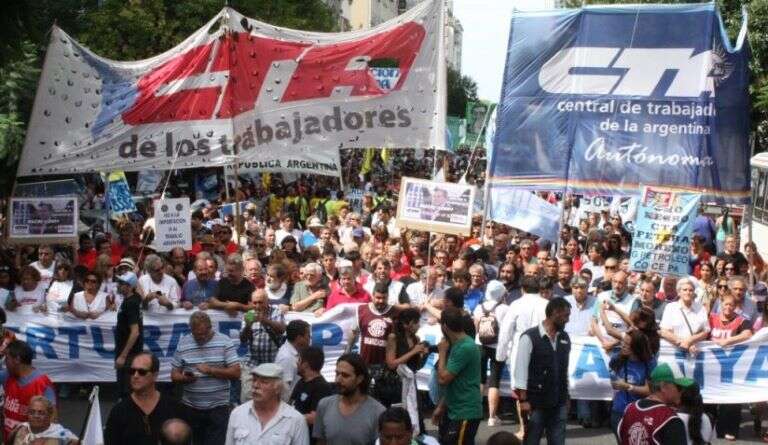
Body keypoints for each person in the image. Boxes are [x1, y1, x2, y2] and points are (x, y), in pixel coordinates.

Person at [171, 311, 241, 445]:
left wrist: (211, 370)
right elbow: (174, 375)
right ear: (191, 330)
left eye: (204, 334)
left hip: (218, 408)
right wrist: (186, 379)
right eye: (197, 335)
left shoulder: (224, 341)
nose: (201, 338)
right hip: (191, 407)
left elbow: (236, 373)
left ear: (210, 328)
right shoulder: (184, 342)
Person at [514, 297, 572, 445]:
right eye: (565, 315)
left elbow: (563, 371)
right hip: (535, 404)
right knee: (532, 441)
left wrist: (567, 397)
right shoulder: (529, 337)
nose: (568, 320)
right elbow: (520, 373)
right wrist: (524, 400)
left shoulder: (564, 338)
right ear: (554, 313)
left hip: (559, 403)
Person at [106, 352, 190, 445]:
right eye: (132, 371)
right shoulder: (119, 411)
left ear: (155, 375)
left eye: (142, 372)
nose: (135, 376)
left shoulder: (174, 408)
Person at [225, 363, 310, 445]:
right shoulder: (238, 414)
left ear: (278, 389)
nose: (256, 385)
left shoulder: (295, 420)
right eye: (254, 380)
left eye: (264, 382)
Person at [313, 353, 386, 445]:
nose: (338, 380)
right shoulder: (324, 405)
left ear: (359, 379)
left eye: (345, 375)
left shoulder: (378, 412)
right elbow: (320, 442)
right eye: (337, 374)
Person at [435, 307, 482, 445]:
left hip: (465, 411)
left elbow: (443, 379)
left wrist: (442, 352)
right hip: (455, 410)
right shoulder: (458, 345)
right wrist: (441, 407)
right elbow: (453, 381)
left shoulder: (464, 347)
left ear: (444, 326)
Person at [618, 362, 690, 445]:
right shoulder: (670, 419)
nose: (682, 391)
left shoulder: (630, 409)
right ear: (663, 386)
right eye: (679, 387)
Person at [355, 282, 400, 407]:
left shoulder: (395, 312)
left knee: (382, 404)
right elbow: (353, 332)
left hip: (384, 368)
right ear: (372, 296)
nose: (380, 301)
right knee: (362, 401)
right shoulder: (361, 310)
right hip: (364, 364)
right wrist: (347, 352)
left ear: (388, 297)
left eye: (384, 298)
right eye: (378, 298)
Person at [1, 340, 57, 441]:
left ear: (17, 359)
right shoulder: (7, 376)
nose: (5, 362)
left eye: (7, 358)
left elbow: (53, 419)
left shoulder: (42, 384)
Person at [386, 308, 429, 436]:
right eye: (416, 322)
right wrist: (413, 351)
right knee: (399, 418)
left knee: (416, 416)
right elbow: (391, 364)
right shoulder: (393, 337)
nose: (418, 325)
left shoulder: (416, 339)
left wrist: (424, 355)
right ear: (408, 324)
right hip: (396, 384)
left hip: (411, 382)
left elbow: (417, 366)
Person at [472, 280, 508, 427]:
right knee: (494, 381)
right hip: (497, 346)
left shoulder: (479, 307)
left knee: (480, 379)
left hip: (480, 344)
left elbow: (476, 326)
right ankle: (492, 417)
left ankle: (477, 412)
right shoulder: (505, 308)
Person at [240, 289, 286, 402]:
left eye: (260, 302)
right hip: (253, 361)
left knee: (273, 397)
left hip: (272, 361)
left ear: (267, 301)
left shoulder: (276, 312)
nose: (257, 305)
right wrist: (248, 326)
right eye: (255, 303)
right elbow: (243, 339)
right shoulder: (249, 315)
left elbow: (282, 329)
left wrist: (264, 320)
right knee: (247, 396)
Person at [607, 330, 655, 439]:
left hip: (639, 412)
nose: (623, 346)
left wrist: (628, 387)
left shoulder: (649, 362)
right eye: (623, 342)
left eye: (627, 344)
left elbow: (650, 391)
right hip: (618, 410)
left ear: (637, 347)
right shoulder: (617, 358)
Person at [289, 346, 335, 443]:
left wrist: (288, 419)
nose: (297, 363)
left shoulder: (322, 387)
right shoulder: (301, 382)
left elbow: (315, 418)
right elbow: (290, 404)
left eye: (299, 360)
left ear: (305, 365)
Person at [660, 278, 710, 355]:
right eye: (685, 290)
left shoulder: (701, 308)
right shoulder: (670, 307)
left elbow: (705, 331)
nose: (688, 292)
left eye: (691, 290)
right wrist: (683, 343)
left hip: (696, 352)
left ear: (694, 293)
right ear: (679, 292)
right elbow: (664, 331)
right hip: (675, 352)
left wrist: (690, 341)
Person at [114, 271, 143, 398]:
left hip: (129, 353)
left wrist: (123, 356)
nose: (118, 285)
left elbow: (135, 332)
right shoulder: (135, 298)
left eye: (122, 283)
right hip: (131, 351)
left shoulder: (130, 303)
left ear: (130, 286)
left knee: (126, 389)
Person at [7, 396, 77, 445]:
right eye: (32, 412)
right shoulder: (19, 428)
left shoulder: (63, 436)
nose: (36, 416)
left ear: (49, 415)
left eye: (41, 413)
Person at [275, 320, 311, 401]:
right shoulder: (287, 358)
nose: (310, 339)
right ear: (299, 338)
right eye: (308, 336)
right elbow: (284, 390)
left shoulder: (294, 353)